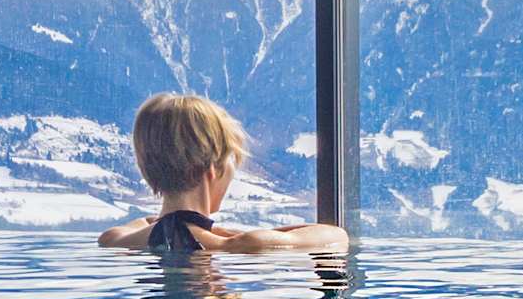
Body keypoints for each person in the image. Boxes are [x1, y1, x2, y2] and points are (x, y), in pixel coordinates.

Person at [98, 93, 349, 253]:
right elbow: (336, 235)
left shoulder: (116, 239)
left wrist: (195, 225)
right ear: (210, 169)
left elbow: (149, 223)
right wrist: (230, 234)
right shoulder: (240, 245)